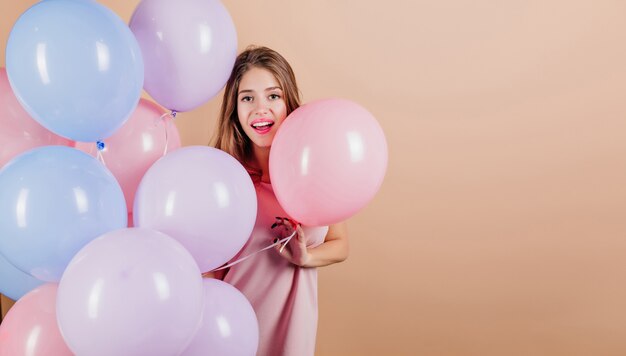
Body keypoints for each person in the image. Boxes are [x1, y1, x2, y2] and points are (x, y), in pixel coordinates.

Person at [208, 46, 349, 356]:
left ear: (289, 102)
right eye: (247, 98)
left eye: (273, 96)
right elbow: (208, 274)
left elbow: (340, 243)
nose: (261, 109)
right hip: (230, 337)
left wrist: (306, 258)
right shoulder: (224, 180)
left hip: (292, 340)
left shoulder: (315, 172)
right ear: (234, 109)